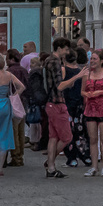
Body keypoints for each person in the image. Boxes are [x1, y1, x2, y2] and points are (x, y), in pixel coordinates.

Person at [60, 49, 103, 176]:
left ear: (101, 61)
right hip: (90, 108)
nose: (92, 61)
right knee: (92, 139)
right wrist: (88, 94)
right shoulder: (86, 74)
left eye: (95, 59)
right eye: (91, 59)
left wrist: (100, 92)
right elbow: (82, 91)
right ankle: (94, 166)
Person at [41, 38, 72, 178]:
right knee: (66, 137)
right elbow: (59, 85)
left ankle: (51, 168)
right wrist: (75, 77)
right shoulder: (55, 62)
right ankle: (50, 162)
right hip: (57, 102)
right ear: (59, 48)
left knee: (53, 137)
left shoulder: (49, 60)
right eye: (65, 49)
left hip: (50, 102)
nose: (67, 52)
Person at [6, 49, 28, 167]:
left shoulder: (9, 71)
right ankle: (20, 155)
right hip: (23, 103)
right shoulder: (24, 70)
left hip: (13, 102)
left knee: (13, 131)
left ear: (10, 58)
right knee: (21, 131)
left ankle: (16, 156)